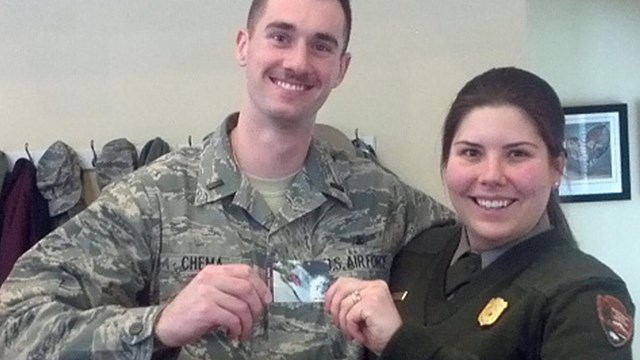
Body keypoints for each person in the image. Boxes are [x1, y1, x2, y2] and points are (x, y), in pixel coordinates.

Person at [0, 0, 453, 358]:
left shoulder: (380, 199)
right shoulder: (153, 200)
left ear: (341, 67)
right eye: (280, 36)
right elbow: (13, 324)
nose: (297, 61)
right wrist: (158, 325)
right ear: (244, 45)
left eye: (321, 45)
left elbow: (490, 261)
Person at [325, 67, 635, 359]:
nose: (491, 176)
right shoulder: (418, 252)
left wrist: (400, 345)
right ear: (447, 162)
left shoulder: (581, 292)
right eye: (471, 153)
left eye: (517, 154)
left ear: (558, 167)